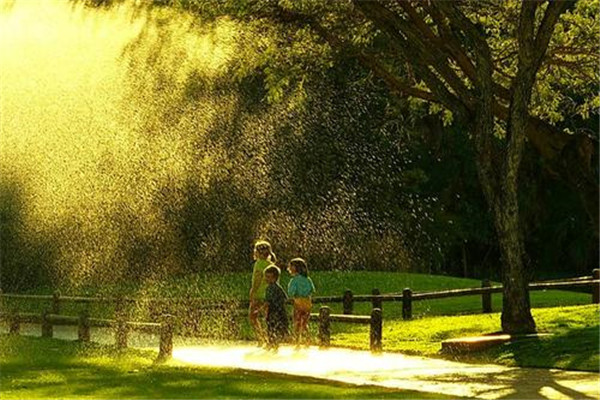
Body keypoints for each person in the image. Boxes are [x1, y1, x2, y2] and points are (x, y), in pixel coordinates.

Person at [248, 240, 276, 345]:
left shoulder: (258, 264)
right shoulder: (271, 264)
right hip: (269, 295)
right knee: (267, 318)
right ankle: (270, 338)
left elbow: (257, 279)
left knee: (253, 317)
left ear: (258, 252)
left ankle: (261, 338)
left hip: (259, 295)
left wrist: (252, 291)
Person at [287, 257, 316, 346]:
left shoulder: (294, 280)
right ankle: (308, 339)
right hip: (307, 302)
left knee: (297, 322)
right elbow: (312, 290)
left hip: (298, 302)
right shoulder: (308, 279)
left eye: (291, 266)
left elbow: (291, 292)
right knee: (304, 323)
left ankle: (297, 341)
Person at [264, 265, 289, 350]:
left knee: (270, 327)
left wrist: (263, 311)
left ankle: (271, 343)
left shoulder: (269, 288)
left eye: (268, 277)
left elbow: (268, 302)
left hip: (273, 310)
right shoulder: (279, 287)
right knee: (277, 327)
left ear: (274, 278)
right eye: (266, 277)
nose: (266, 279)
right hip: (280, 310)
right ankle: (275, 343)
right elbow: (285, 298)